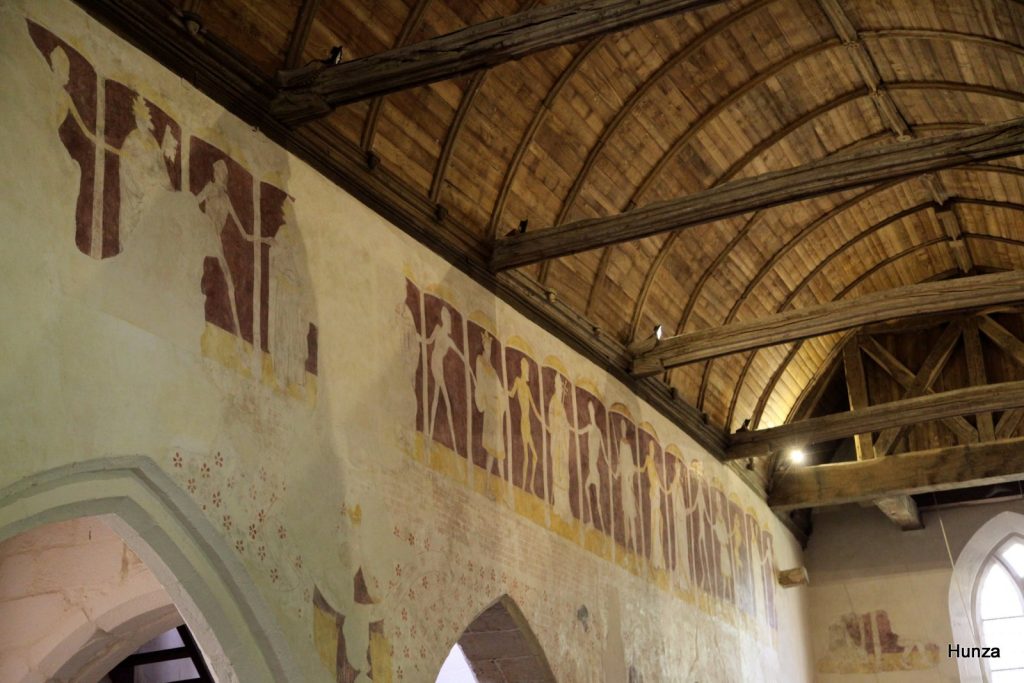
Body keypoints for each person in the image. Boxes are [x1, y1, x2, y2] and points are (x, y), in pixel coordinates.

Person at [472, 332, 507, 481]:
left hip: (497, 409)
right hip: (490, 409)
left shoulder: (492, 369)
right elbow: (481, 382)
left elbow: (499, 389)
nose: (489, 348)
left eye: (490, 346)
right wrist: (484, 398)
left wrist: (504, 394)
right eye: (487, 345)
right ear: (483, 345)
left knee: (498, 449)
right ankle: (487, 482)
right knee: (491, 449)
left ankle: (503, 485)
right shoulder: (480, 361)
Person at [507, 358, 543, 494]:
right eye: (526, 368)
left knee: (535, 457)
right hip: (523, 422)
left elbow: (534, 408)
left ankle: (530, 485)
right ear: (523, 368)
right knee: (528, 456)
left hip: (527, 422)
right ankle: (524, 486)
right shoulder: (517, 381)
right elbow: (511, 394)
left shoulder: (527, 388)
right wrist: (502, 390)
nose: (527, 371)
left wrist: (544, 424)